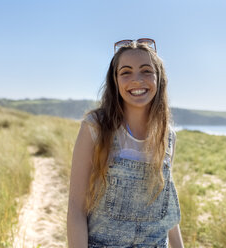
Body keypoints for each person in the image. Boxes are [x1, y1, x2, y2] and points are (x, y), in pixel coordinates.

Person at [67, 38, 184, 248]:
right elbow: (76, 208)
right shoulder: (95, 127)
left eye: (146, 71)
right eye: (126, 72)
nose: (137, 80)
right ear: (115, 80)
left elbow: (166, 209)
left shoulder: (168, 137)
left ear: (159, 79)